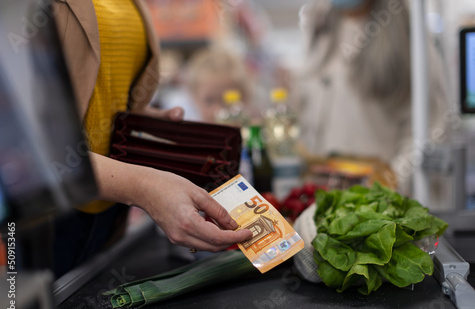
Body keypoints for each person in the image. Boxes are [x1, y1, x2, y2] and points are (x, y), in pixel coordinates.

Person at [51, 0, 252, 276]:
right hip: (50, 213)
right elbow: (21, 143)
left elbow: (101, 93)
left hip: (110, 210)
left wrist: (142, 121)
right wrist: (144, 186)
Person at [296, 0, 449, 196]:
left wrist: (389, 185)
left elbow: (432, 126)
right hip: (324, 190)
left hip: (376, 199)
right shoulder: (320, 26)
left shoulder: (408, 34)